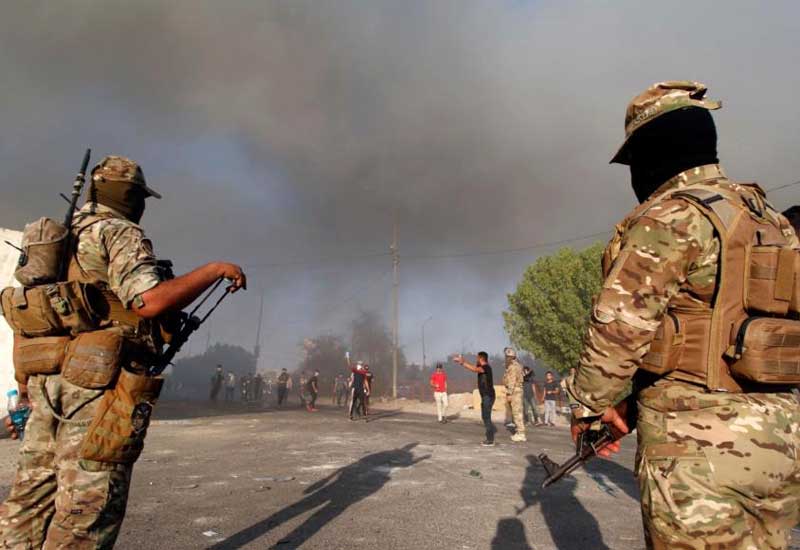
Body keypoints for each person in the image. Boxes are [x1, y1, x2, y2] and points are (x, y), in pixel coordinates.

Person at [565, 81, 800, 549]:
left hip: (696, 449)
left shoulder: (672, 217)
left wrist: (589, 409)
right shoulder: (768, 219)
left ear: (654, 149)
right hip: (782, 442)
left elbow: (620, 328)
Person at [0, 155, 246, 549]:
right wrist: (214, 269)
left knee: (29, 499)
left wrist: (23, 377)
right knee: (87, 508)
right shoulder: (117, 232)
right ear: (130, 197)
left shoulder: (54, 238)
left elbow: (26, 312)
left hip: (49, 381)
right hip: (97, 388)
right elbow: (147, 301)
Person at [453, 352, 496, 446]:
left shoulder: (486, 367)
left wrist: (463, 362)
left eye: (477, 358)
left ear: (481, 358)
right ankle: (490, 438)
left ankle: (490, 440)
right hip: (486, 396)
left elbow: (475, 369)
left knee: (486, 417)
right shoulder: (484, 367)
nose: (476, 360)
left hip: (488, 396)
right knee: (485, 417)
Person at [501, 348, 526, 442]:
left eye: (507, 357)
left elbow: (512, 381)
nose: (506, 358)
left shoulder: (512, 367)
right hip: (516, 390)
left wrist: (509, 393)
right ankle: (519, 432)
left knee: (517, 413)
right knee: (516, 412)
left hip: (515, 391)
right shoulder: (517, 365)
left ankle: (521, 433)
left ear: (511, 357)